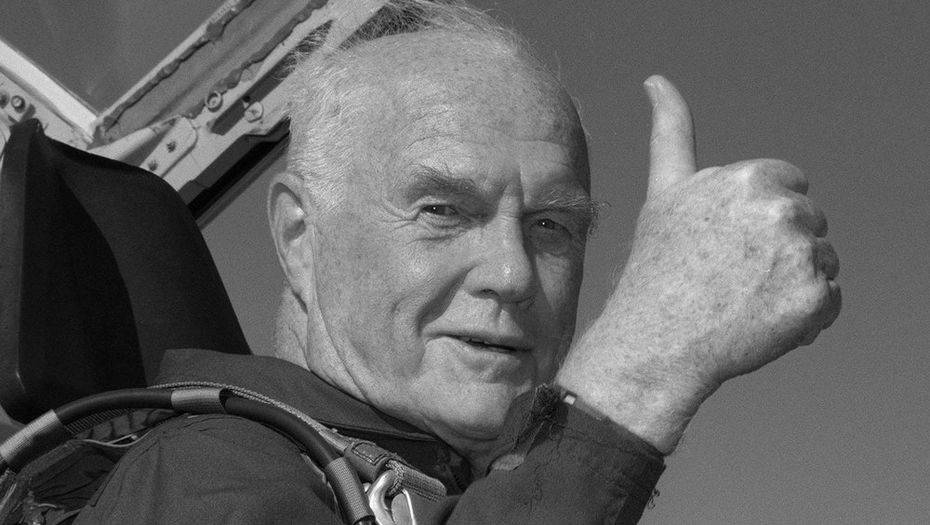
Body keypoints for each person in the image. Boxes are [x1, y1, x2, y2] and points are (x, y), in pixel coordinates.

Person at [73, 1, 841, 523]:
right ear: (300, 236)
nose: (512, 273)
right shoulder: (210, 477)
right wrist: (644, 364)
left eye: (551, 225)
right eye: (443, 210)